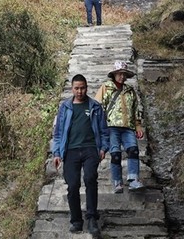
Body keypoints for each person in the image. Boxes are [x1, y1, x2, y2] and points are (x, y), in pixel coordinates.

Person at [52, 74, 108, 236]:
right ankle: (76, 220)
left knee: (90, 179)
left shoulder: (95, 107)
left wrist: (103, 148)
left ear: (87, 88)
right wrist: (56, 153)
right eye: (76, 88)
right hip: (70, 150)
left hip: (91, 148)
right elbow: (58, 133)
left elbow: (104, 131)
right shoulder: (65, 107)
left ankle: (92, 219)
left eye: (82, 88)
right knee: (73, 184)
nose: (79, 91)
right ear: (72, 88)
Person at [96, 60, 146, 193]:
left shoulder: (130, 91)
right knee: (115, 154)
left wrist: (138, 126)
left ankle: (133, 179)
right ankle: (117, 182)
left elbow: (135, 109)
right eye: (119, 74)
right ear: (114, 74)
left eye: (124, 74)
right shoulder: (106, 88)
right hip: (111, 127)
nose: (122, 77)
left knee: (133, 150)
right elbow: (98, 107)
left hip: (128, 127)